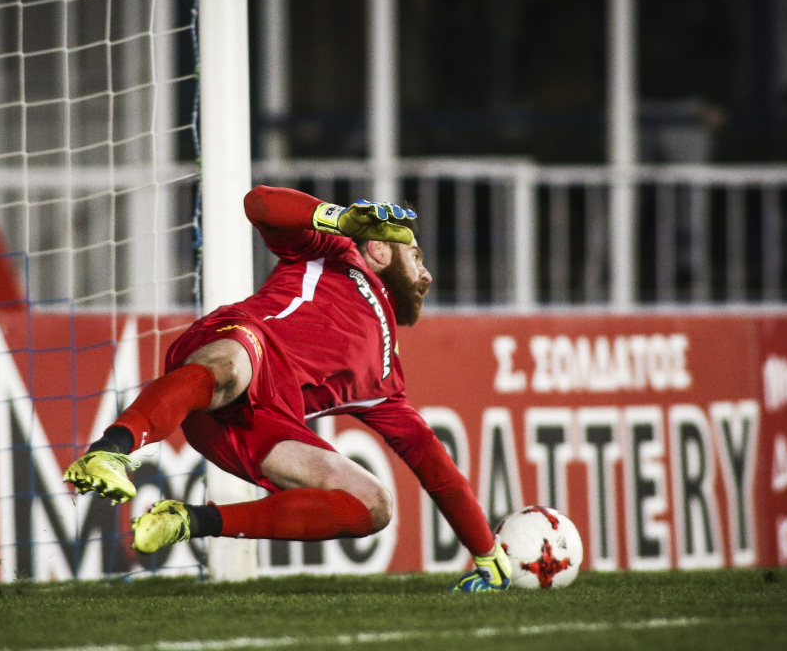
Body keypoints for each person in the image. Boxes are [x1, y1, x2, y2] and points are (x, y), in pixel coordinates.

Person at [63, 185, 510, 592]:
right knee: (233, 369)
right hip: (238, 346)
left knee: (373, 505)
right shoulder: (332, 254)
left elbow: (436, 468)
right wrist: (340, 221)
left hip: (249, 426)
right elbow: (257, 203)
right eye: (416, 256)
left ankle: (190, 521)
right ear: (377, 250)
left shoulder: (385, 383)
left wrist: (487, 551)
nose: (427, 274)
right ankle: (111, 449)